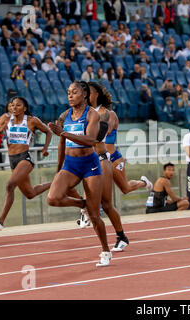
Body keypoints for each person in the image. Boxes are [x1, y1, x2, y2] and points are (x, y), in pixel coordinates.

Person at [47, 81, 112, 267]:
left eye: (74, 92)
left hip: (89, 165)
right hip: (71, 164)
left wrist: (64, 134)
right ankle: (82, 203)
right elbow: (61, 143)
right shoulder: (65, 115)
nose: (70, 95)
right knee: (53, 198)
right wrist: (58, 169)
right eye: (68, 92)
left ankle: (106, 250)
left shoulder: (92, 114)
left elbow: (91, 140)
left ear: (84, 94)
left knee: (94, 216)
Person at [70, 82, 130, 251]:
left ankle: (121, 236)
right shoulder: (79, 113)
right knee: (62, 186)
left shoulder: (107, 113)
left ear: (97, 94)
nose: (87, 94)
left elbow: (104, 132)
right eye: (84, 92)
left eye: (90, 92)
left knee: (106, 203)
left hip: (102, 159)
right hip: (83, 159)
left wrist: (84, 131)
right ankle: (84, 208)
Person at [0, 97, 52, 230]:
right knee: (30, 194)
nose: (14, 108)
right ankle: (56, 182)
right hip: (12, 161)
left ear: (25, 108)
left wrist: (45, 148)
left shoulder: (32, 121)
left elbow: (48, 132)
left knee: (10, 185)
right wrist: (0, 130)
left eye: (18, 105)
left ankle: (0, 221)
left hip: (25, 159)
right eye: (12, 105)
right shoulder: (5, 120)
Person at [104, 93, 153, 194]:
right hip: (100, 158)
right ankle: (86, 209)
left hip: (113, 158)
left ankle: (144, 182)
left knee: (125, 189)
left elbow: (107, 131)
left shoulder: (111, 114)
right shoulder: (91, 115)